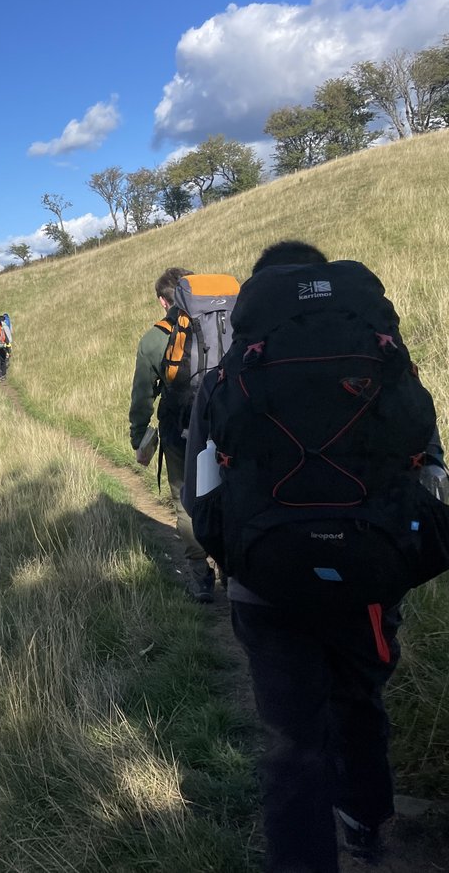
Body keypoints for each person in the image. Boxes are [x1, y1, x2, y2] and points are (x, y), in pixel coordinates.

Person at [183, 240, 446, 872]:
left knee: (291, 737)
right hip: (371, 578)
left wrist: (237, 562)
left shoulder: (226, 377)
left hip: (265, 586)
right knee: (359, 700)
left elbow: (200, 499)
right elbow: (430, 471)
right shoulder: (384, 359)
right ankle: (365, 822)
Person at [127, 267, 213, 601]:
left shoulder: (153, 339)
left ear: (164, 302)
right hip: (226, 423)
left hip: (180, 429)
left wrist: (139, 437)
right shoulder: (225, 321)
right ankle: (235, 572)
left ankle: (201, 576)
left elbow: (142, 395)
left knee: (185, 501)